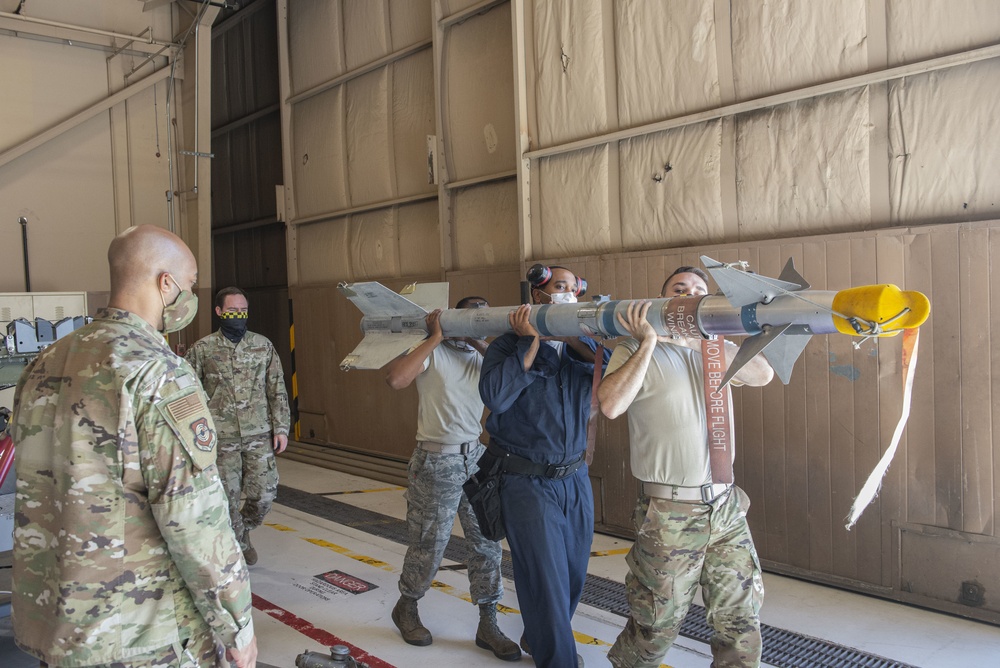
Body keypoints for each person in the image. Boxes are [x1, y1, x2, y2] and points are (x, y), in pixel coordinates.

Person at [10, 224, 257, 667]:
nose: (191, 295)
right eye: (191, 284)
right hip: (142, 633)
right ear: (167, 285)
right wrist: (236, 625)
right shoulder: (159, 375)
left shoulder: (44, 363)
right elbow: (195, 521)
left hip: (60, 628)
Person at [598, 266, 774, 668]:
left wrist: (699, 341)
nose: (690, 295)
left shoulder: (714, 348)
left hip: (726, 507)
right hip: (670, 513)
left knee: (740, 621)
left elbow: (762, 374)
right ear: (665, 300)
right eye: (680, 289)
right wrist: (648, 341)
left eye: (698, 290)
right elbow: (610, 404)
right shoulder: (636, 348)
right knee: (656, 623)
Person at [478, 265, 609, 668]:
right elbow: (496, 399)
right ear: (538, 295)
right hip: (525, 480)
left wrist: (575, 338)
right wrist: (530, 341)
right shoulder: (506, 345)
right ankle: (558, 660)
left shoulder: (580, 350)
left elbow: (606, 388)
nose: (567, 294)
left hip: (574, 479)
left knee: (572, 574)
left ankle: (539, 637)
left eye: (573, 289)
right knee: (545, 581)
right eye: (559, 287)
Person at [384, 296, 520, 662]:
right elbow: (396, 378)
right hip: (435, 460)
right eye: (467, 317)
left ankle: (487, 622)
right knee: (430, 544)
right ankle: (407, 606)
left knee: (487, 543)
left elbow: (510, 374)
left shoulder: (484, 357)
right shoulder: (433, 352)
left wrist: (478, 340)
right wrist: (435, 335)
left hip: (474, 457)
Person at [186, 287, 290, 566]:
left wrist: (281, 428)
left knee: (264, 493)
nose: (238, 316)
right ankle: (238, 544)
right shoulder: (202, 349)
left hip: (259, 434)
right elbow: (189, 395)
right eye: (232, 311)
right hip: (221, 438)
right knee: (226, 500)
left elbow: (276, 388)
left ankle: (241, 531)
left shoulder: (263, 346)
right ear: (219, 312)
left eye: (243, 311)